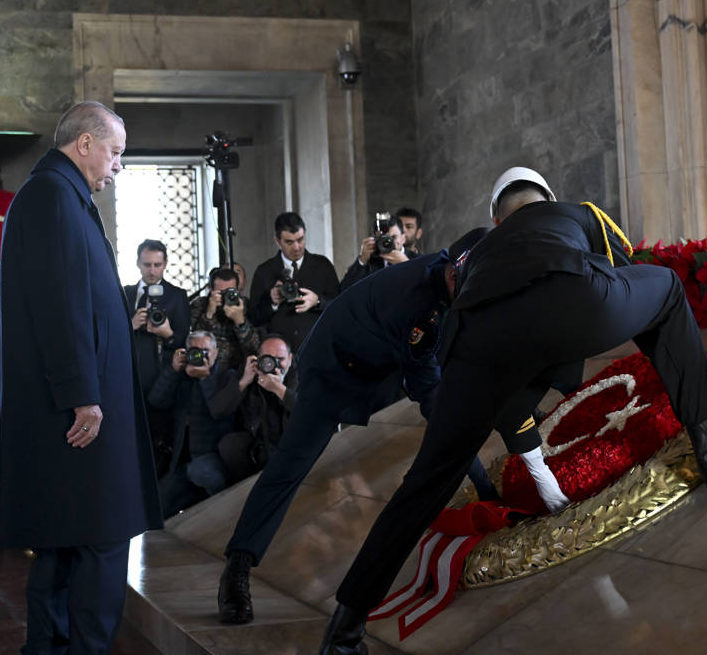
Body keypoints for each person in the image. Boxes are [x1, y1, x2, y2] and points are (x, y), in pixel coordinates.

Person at [315, 167, 707, 655]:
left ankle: (344, 631)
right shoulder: (580, 214)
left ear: (495, 218)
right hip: (570, 299)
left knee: (427, 480)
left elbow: (508, 332)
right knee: (664, 289)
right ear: (550, 200)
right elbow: (621, 275)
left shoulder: (476, 251)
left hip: (473, 345)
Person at [217, 249, 502, 625]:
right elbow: (438, 408)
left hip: (380, 365)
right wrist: (487, 490)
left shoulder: (451, 268)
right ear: (453, 276)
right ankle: (237, 569)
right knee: (290, 465)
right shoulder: (418, 310)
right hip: (331, 368)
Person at [0, 100, 163, 655]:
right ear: (87, 142)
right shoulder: (52, 197)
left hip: (74, 402)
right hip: (78, 409)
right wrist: (82, 393)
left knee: (67, 544)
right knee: (99, 540)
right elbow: (63, 306)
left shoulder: (55, 194)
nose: (116, 167)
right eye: (115, 153)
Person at [149, 330, 237, 517]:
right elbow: (156, 400)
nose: (200, 355)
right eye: (194, 351)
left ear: (215, 352)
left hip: (213, 459)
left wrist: (205, 378)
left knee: (202, 475)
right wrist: (172, 371)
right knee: (157, 503)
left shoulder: (227, 377)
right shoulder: (182, 377)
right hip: (181, 460)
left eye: (205, 350)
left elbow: (219, 412)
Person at [124, 239, 189, 471]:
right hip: (129, 384)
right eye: (147, 264)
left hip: (163, 384)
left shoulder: (178, 296)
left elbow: (184, 342)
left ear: (165, 264)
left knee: (160, 451)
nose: (152, 270)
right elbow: (107, 338)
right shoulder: (124, 294)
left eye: (157, 265)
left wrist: (168, 333)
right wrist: (129, 325)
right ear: (138, 264)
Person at [247, 212, 339, 352]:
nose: (297, 247)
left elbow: (339, 306)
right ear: (277, 241)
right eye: (289, 242)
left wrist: (318, 301)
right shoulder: (264, 271)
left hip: (316, 348)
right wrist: (272, 303)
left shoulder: (323, 266)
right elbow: (253, 319)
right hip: (278, 355)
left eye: (300, 239)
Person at [212, 334, 298, 484]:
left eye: (281, 359)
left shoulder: (302, 373)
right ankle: (248, 488)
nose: (274, 365)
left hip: (293, 442)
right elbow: (217, 410)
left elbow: (310, 413)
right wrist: (244, 381)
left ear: (290, 359)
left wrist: (279, 389)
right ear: (258, 358)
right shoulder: (249, 370)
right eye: (268, 359)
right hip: (260, 443)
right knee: (229, 445)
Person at [190, 267, 260, 371]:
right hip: (207, 367)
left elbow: (254, 347)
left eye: (231, 291)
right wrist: (209, 314)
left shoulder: (246, 305)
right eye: (221, 292)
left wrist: (240, 321)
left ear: (238, 289)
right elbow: (195, 342)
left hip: (238, 369)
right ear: (210, 289)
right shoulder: (199, 304)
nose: (226, 296)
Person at [340, 213, 419, 290]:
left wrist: (407, 265)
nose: (387, 242)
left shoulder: (417, 259)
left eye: (393, 237)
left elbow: (426, 289)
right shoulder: (369, 262)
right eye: (383, 238)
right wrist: (362, 260)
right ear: (375, 239)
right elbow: (344, 290)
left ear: (403, 238)